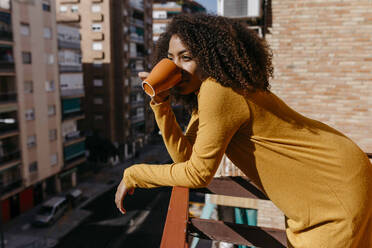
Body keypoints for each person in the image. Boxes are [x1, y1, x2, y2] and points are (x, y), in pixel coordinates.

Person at [115, 13, 372, 247]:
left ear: (209, 57)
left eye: (186, 58)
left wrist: (134, 174)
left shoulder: (218, 91)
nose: (176, 68)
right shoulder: (210, 95)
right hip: (333, 181)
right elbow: (185, 158)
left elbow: (197, 174)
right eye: (170, 59)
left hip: (333, 194)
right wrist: (160, 102)